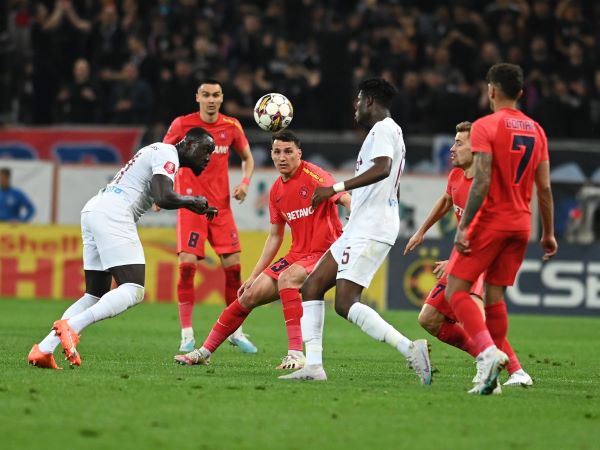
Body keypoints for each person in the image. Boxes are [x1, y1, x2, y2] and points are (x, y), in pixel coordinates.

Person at [281, 78, 432, 383]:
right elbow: (392, 183)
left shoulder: (383, 130)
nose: (355, 106)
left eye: (359, 100)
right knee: (311, 287)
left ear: (372, 102)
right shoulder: (389, 131)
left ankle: (410, 349)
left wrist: (334, 188)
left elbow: (383, 168)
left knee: (346, 302)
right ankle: (314, 366)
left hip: (370, 228)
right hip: (362, 225)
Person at [27, 128, 217, 369]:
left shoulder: (158, 152)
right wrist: (193, 201)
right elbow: (164, 197)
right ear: (188, 143)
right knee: (134, 289)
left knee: (94, 295)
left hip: (95, 208)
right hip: (114, 212)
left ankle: (43, 349)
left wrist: (189, 203)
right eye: (206, 150)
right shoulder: (168, 152)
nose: (209, 157)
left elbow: (159, 195)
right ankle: (72, 327)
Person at [174, 130, 351, 369]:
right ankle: (204, 351)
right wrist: (255, 274)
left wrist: (352, 218)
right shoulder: (277, 191)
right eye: (277, 152)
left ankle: (296, 354)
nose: (282, 157)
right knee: (247, 295)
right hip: (298, 254)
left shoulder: (314, 175)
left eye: (288, 152)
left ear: (299, 153)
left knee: (288, 279)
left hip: (326, 252)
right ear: (271, 154)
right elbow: (275, 236)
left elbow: (345, 198)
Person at [444, 63, 557, 395]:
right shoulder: (537, 130)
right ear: (520, 93)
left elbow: (481, 181)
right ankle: (494, 378)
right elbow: (546, 189)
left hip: (492, 221)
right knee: (494, 297)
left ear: (491, 90)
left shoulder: (485, 126)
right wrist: (548, 233)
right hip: (521, 225)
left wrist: (465, 227)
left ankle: (486, 352)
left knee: (456, 291)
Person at [403, 121, 532, 388]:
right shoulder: (456, 176)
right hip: (463, 255)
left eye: (459, 143)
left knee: (474, 317)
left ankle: (515, 371)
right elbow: (446, 201)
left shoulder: (488, 186)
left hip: (485, 258)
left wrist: (456, 261)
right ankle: (489, 361)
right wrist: (421, 231)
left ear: (477, 149)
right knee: (429, 319)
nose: (452, 149)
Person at [163, 79, 256, 354]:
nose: (211, 99)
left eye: (216, 95)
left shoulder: (232, 126)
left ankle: (235, 331)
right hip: (191, 206)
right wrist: (161, 190)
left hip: (221, 209)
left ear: (222, 97)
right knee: (188, 265)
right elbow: (163, 155)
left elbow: (248, 158)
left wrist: (245, 183)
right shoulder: (182, 125)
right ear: (198, 97)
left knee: (234, 269)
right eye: (206, 95)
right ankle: (186, 334)